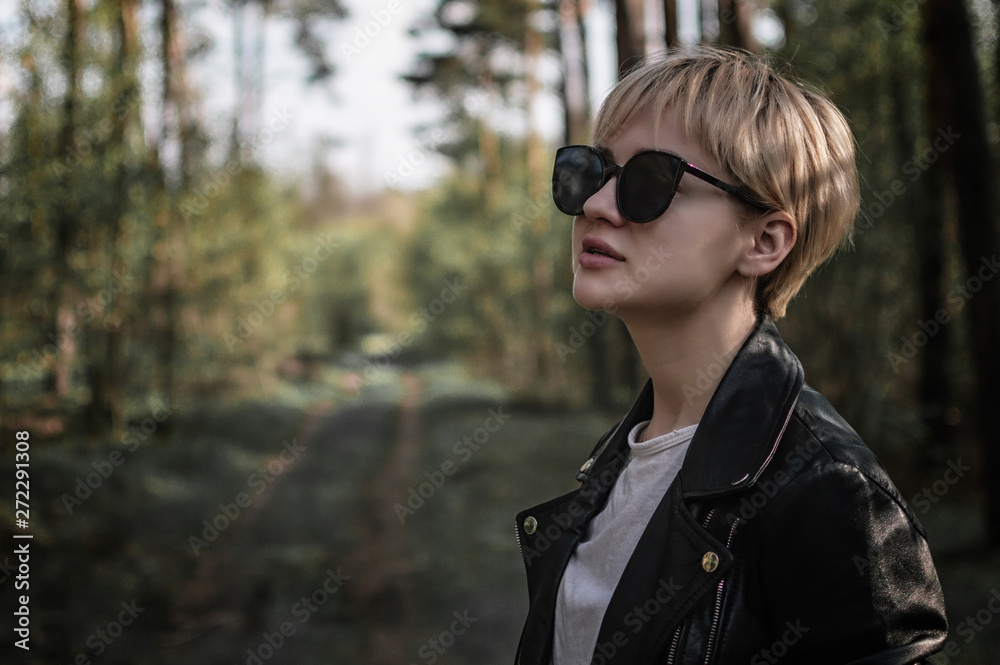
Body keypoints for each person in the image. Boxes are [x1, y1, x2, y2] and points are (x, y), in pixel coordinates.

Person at [513, 46, 948, 665]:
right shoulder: (619, 459)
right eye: (593, 171)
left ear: (764, 241)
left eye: (650, 181)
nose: (596, 205)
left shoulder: (830, 495)